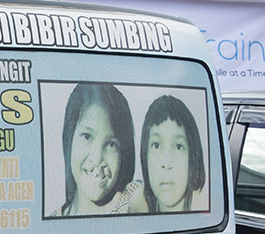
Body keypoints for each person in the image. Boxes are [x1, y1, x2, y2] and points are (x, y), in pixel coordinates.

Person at [55, 82, 142, 216]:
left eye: (111, 144)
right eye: (87, 136)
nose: (97, 158)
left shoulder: (134, 199)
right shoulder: (52, 221)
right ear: (69, 138)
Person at [140, 95, 206, 212]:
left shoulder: (207, 214)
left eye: (178, 146)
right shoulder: (134, 207)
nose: (166, 163)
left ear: (193, 156)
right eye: (156, 146)